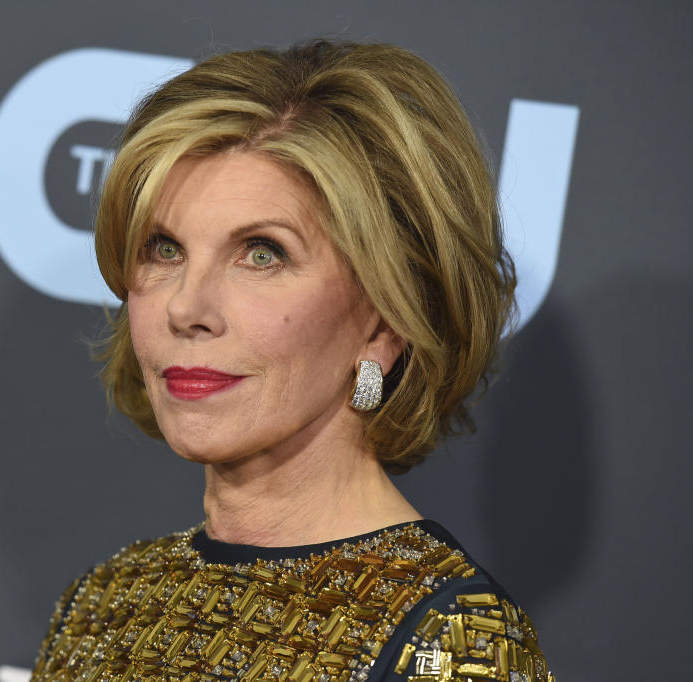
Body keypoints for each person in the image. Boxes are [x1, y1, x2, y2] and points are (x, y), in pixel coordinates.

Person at [30, 40, 554, 682]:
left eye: (261, 254)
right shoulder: (104, 604)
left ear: (385, 320)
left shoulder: (452, 645)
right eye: (164, 249)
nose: (186, 308)